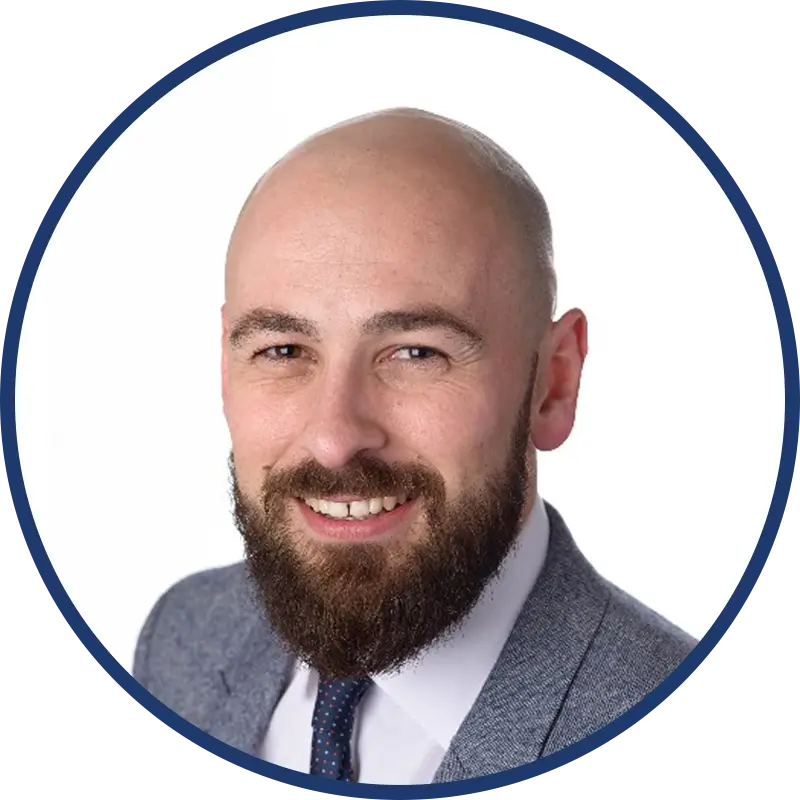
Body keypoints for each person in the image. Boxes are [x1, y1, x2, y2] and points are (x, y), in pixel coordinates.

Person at [133, 108, 696, 786]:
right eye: (282, 350)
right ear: (226, 368)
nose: (334, 439)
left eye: (416, 353)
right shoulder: (181, 640)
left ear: (554, 383)